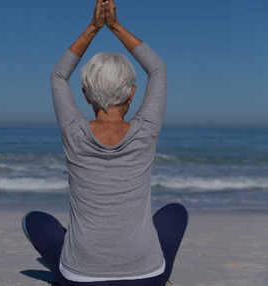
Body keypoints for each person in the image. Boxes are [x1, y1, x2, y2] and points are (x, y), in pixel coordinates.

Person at [21, 1, 188, 285]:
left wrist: (93, 27)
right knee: (175, 212)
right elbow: (158, 69)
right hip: (147, 278)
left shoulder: (74, 131)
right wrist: (115, 26)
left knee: (33, 220)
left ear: (85, 95)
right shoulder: (146, 130)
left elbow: (58, 75)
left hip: (79, 278)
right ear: (132, 94)